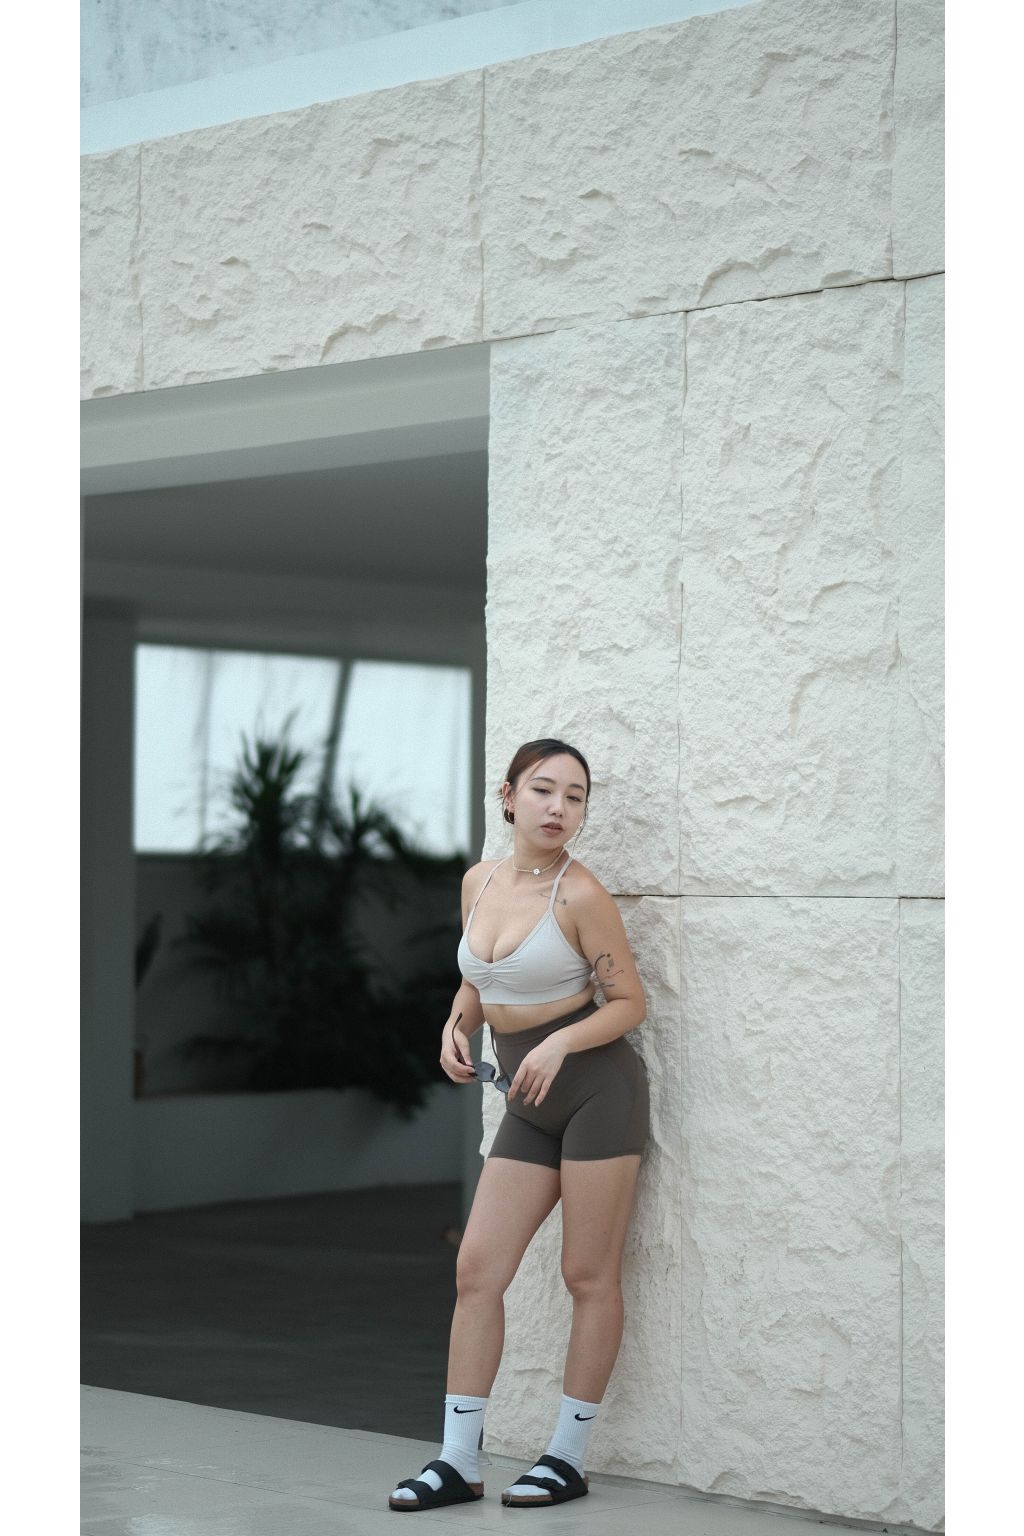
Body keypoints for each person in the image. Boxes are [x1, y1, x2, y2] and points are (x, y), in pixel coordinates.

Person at [388, 737, 650, 1512]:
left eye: (574, 796)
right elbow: (482, 975)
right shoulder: (480, 881)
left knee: (587, 1275)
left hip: (597, 1093)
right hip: (528, 1106)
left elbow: (630, 1003)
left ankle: (566, 1458)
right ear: (507, 797)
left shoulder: (580, 895)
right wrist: (455, 1024)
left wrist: (564, 1041)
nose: (558, 808)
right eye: (542, 789)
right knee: (477, 1271)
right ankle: (459, 1462)